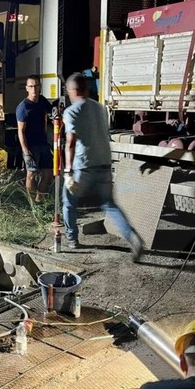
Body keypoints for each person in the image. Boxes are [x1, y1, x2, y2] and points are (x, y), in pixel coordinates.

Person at [62, 72, 143, 260]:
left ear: (73, 91)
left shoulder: (72, 111)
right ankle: (132, 237)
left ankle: (72, 239)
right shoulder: (100, 108)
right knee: (109, 204)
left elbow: (70, 142)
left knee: (69, 202)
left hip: (84, 166)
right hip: (105, 163)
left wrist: (68, 171)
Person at [16, 74, 53, 202]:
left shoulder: (42, 100)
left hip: (43, 143)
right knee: (31, 174)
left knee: (48, 174)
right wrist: (26, 152)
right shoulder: (23, 108)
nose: (34, 90)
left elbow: (52, 111)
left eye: (36, 86)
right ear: (27, 88)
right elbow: (21, 131)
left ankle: (39, 201)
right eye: (31, 87)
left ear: (40, 87)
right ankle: (30, 204)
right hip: (31, 146)